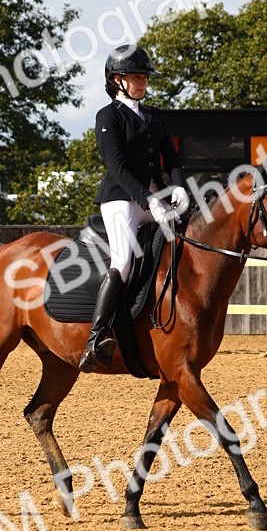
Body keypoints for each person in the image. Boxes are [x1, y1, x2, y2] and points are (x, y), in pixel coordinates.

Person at [78, 44, 190, 373]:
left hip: (154, 197)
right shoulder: (108, 116)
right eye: (135, 76)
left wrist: (179, 185)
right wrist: (148, 198)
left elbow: (171, 159)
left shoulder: (155, 116)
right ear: (116, 80)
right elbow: (117, 167)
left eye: (144, 76)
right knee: (123, 262)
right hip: (121, 200)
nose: (142, 82)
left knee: (186, 244)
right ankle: (96, 338)